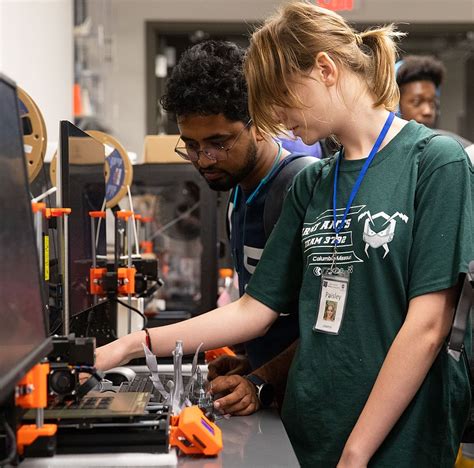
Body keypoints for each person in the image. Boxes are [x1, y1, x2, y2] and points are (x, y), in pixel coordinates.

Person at [96, 3, 473, 466]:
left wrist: (356, 453)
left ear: (324, 70)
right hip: (310, 428)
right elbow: (253, 311)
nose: (275, 120)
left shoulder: (435, 163)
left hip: (397, 439)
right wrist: (132, 345)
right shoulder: (314, 183)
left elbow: (429, 326)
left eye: (280, 101)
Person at [160, 40, 318, 414]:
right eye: (192, 146)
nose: (204, 160)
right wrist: (250, 366)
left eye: (218, 142)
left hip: (310, 408)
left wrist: (263, 379)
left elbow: (326, 324)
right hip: (277, 399)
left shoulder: (301, 187)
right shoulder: (235, 194)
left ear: (260, 123)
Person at [396, 54, 472, 147]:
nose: (428, 111)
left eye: (432, 102)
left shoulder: (459, 148)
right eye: (417, 102)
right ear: (395, 104)